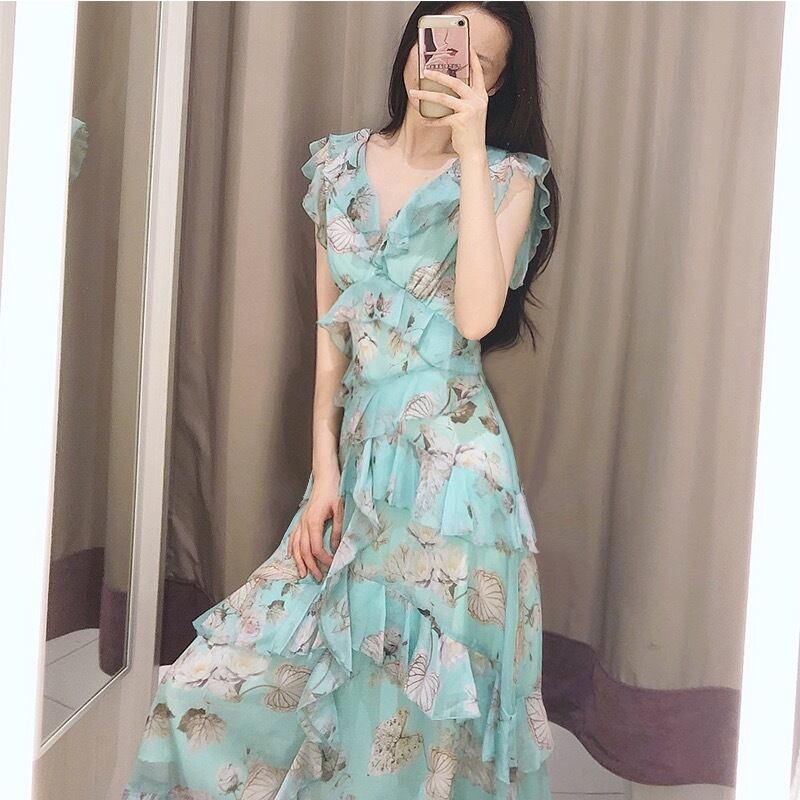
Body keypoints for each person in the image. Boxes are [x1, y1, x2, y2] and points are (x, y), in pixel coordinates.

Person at [122, 3, 559, 799]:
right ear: (414, 41)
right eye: (441, 40)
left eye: (477, 63)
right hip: (358, 468)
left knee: (413, 724)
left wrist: (469, 151)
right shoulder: (337, 166)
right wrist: (324, 472)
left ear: (497, 86)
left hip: (456, 487)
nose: (448, 66)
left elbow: (474, 319)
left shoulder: (508, 180)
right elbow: (331, 342)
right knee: (210, 688)